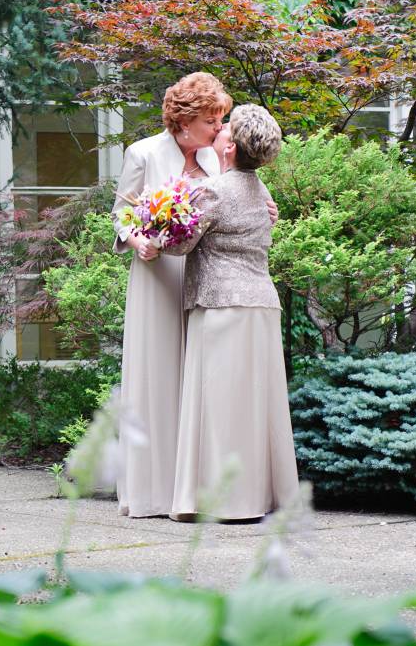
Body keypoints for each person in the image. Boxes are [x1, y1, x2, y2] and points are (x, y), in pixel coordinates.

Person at [112, 72, 277, 518]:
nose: (219, 127)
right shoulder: (143, 153)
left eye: (221, 119)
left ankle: (195, 487)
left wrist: (265, 211)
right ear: (184, 122)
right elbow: (120, 215)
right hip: (157, 271)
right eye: (211, 120)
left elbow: (235, 204)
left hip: (206, 276)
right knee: (160, 376)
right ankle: (154, 492)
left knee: (202, 385)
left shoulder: (217, 156)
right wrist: (135, 240)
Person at [164, 104, 299, 521]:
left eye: (227, 129)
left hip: (220, 304)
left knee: (220, 408)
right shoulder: (264, 194)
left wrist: (159, 222)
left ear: (231, 148)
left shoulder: (215, 191)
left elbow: (179, 246)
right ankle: (262, 497)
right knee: (257, 408)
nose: (220, 132)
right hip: (261, 304)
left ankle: (224, 502)